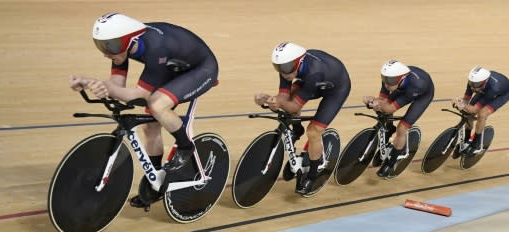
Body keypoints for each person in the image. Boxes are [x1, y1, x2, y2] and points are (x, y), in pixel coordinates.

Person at [69, 12, 219, 207]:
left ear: (129, 40)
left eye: (109, 46)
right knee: (150, 127)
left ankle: (185, 146)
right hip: (172, 65)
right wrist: (93, 84)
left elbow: (137, 94)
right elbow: (117, 85)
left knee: (157, 104)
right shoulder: (120, 44)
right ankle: (155, 180)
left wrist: (98, 84)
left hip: (201, 69)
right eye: (101, 45)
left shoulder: (156, 47)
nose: (106, 52)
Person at [254, 42, 351, 195]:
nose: (282, 72)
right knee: (289, 98)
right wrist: (269, 99)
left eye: (284, 68)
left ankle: (312, 175)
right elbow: (283, 97)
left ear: (299, 62)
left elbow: (294, 107)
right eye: (277, 67)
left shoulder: (313, 73)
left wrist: (278, 103)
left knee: (313, 131)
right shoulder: (286, 67)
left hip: (336, 89)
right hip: (316, 81)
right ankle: (297, 130)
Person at [363, 60, 434, 178]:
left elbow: (390, 108)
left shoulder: (416, 85)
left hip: (422, 94)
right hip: (405, 87)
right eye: (384, 78)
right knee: (381, 108)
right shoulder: (390, 79)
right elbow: (382, 100)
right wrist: (372, 101)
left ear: (402, 78)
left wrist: (378, 104)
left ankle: (391, 163)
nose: (386, 84)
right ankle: (389, 128)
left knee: (401, 128)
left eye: (390, 81)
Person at [453, 66, 509, 155]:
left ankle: (476, 144)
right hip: (485, 89)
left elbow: (474, 110)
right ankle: (467, 139)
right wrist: (460, 102)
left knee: (482, 114)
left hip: (502, 94)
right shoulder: (473, 82)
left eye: (476, 85)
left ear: (485, 81)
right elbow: (466, 99)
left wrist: (463, 105)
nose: (473, 88)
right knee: (467, 112)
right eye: (471, 84)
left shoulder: (494, 88)